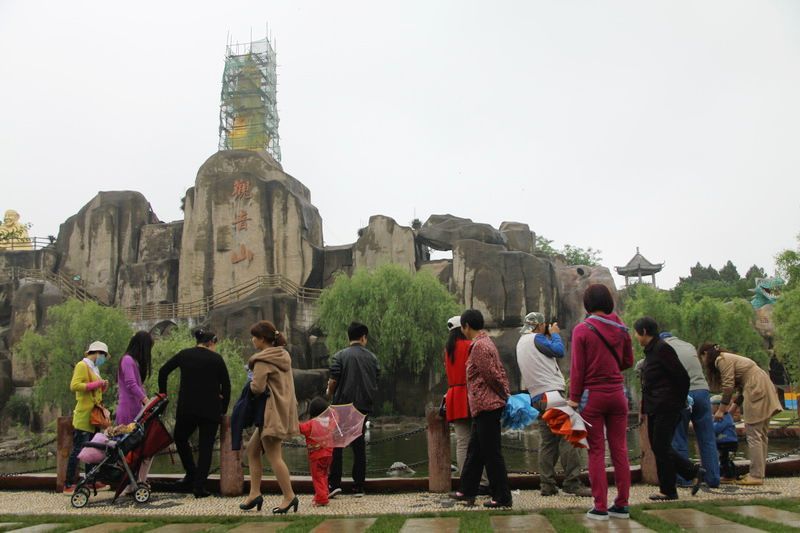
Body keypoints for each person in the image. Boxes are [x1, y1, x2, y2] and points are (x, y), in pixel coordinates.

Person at [569, 284, 633, 521]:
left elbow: (578, 369)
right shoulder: (622, 328)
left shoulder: (582, 330)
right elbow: (628, 360)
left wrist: (574, 399)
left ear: (587, 304)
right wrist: (610, 369)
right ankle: (623, 504)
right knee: (620, 450)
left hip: (592, 396)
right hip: (618, 394)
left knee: (596, 451)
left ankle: (600, 507)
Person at [516, 311, 590, 497]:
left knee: (548, 443)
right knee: (570, 436)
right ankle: (572, 482)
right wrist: (555, 333)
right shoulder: (536, 338)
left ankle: (547, 485)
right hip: (551, 394)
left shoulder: (521, 342)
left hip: (537, 397)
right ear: (540, 325)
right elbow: (559, 351)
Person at [634, 317, 704, 501]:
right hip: (655, 406)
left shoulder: (662, 349)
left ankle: (670, 489)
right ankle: (689, 474)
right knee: (659, 447)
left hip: (666, 406)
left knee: (661, 446)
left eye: (636, 332)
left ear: (643, 332)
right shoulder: (651, 351)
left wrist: (678, 401)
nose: (635, 336)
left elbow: (682, 377)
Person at [449, 309, 512, 509]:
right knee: (475, 452)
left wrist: (504, 394)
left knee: (492, 454)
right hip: (482, 407)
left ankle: (502, 497)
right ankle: (467, 491)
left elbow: (493, 375)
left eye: (463, 327)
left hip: (487, 405)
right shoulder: (485, 343)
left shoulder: (480, 346)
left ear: (466, 326)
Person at [158, 328, 231, 498]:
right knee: (206, 448)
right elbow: (226, 387)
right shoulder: (217, 359)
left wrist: (163, 394)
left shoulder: (184, 354)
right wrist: (223, 408)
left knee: (180, 438)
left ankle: (191, 472)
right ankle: (199, 486)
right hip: (210, 410)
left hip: (187, 408)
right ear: (212, 342)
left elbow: (163, 371)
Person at [700, 343, 782, 485]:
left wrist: (721, 409)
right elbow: (740, 388)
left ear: (706, 354)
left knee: (754, 434)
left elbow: (728, 386)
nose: (702, 361)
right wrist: (732, 409)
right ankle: (758, 473)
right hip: (761, 384)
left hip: (755, 387)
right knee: (761, 434)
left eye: (701, 357)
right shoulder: (729, 358)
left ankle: (756, 476)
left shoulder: (721, 360)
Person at [241, 320, 299, 514]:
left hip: (270, 413)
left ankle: (289, 496)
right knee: (252, 450)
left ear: (262, 339)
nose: (252, 340)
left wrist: (248, 382)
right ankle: (254, 493)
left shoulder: (262, 360)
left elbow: (257, 388)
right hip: (281, 411)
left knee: (275, 457)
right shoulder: (283, 355)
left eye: (254, 337)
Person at [326, 322, 380, 498]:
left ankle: (334, 484)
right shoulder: (372, 358)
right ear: (363, 337)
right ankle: (359, 486)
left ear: (349, 337)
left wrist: (329, 392)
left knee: (337, 446)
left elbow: (333, 380)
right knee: (359, 447)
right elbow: (376, 379)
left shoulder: (340, 356)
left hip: (342, 406)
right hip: (363, 407)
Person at [662, 332, 720, 488]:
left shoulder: (663, 347)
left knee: (679, 436)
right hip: (702, 391)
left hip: (682, 394)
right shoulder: (689, 345)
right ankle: (713, 478)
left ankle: (684, 479)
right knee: (707, 438)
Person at [443, 315, 489, 493]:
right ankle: (483, 482)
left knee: (462, 442)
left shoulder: (448, 350)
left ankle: (466, 481)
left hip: (454, 395)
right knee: (480, 441)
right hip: (471, 394)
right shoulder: (471, 346)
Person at [64, 340, 111, 494]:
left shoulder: (94, 368)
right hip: (84, 415)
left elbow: (94, 391)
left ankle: (90, 481)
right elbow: (75, 385)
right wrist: (96, 385)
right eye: (103, 355)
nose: (103, 359)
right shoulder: (82, 365)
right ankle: (69, 484)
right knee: (79, 449)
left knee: (91, 450)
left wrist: (102, 387)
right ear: (97, 353)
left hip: (93, 416)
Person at [117, 331, 154, 493]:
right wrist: (146, 400)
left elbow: (136, 385)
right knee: (137, 450)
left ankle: (137, 482)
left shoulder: (133, 362)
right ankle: (134, 483)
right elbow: (131, 384)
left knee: (143, 450)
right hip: (128, 412)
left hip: (136, 411)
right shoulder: (127, 360)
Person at [298, 397, 334, 507]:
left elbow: (300, 428)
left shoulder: (311, 424)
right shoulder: (330, 423)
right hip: (328, 454)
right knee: (324, 475)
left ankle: (322, 499)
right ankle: (323, 493)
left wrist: (292, 419)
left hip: (316, 456)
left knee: (317, 477)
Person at [711, 395, 739, 483]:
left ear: (718, 407)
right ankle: (732, 475)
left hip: (728, 443)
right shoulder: (723, 417)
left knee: (725, 460)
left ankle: (728, 476)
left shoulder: (724, 418)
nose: (710, 409)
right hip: (725, 443)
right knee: (726, 460)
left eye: (711, 406)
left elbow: (715, 429)